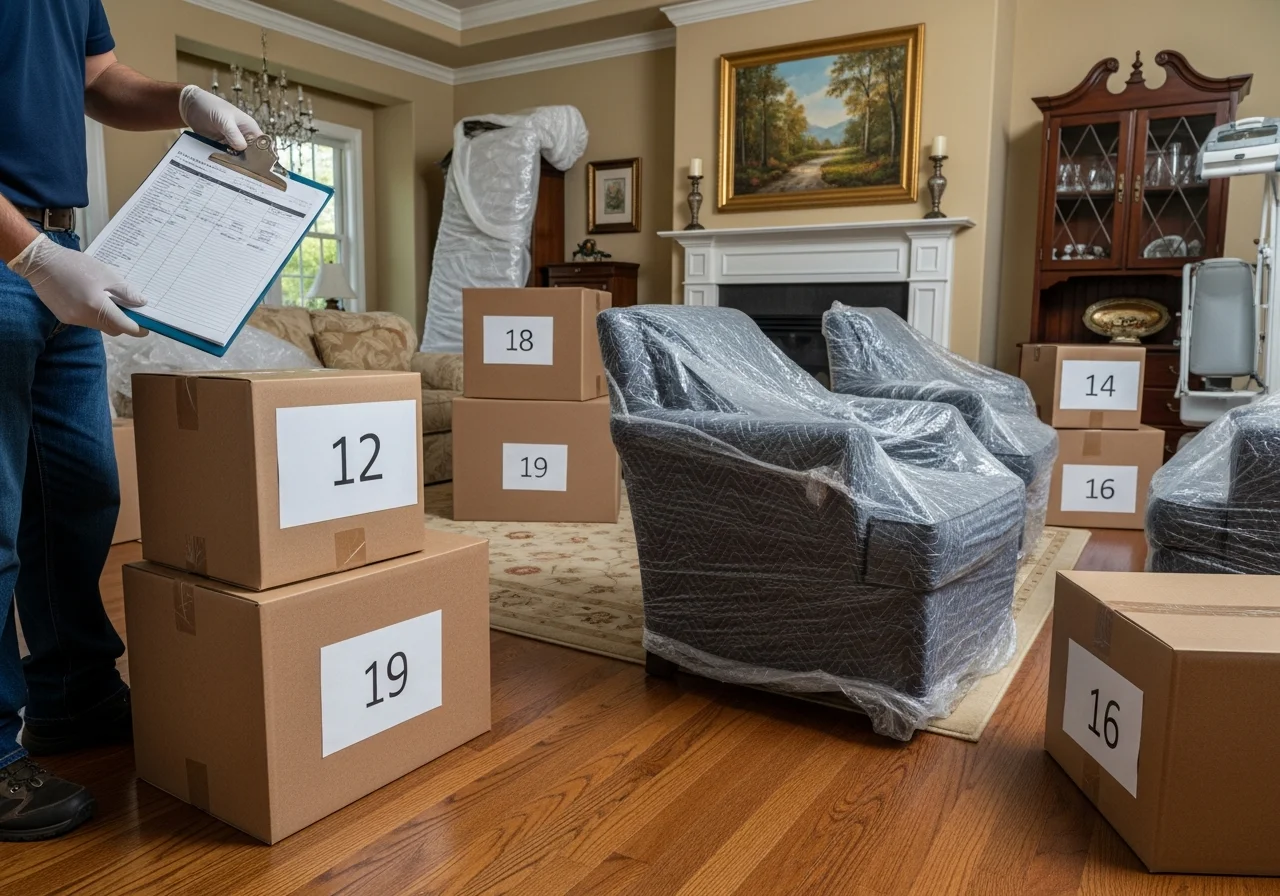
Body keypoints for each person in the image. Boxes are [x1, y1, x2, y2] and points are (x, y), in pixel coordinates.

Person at [0, 1, 263, 841]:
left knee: (79, 492)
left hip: (66, 248)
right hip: (17, 250)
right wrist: (29, 254)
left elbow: (101, 79)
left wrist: (182, 101)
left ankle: (73, 697)